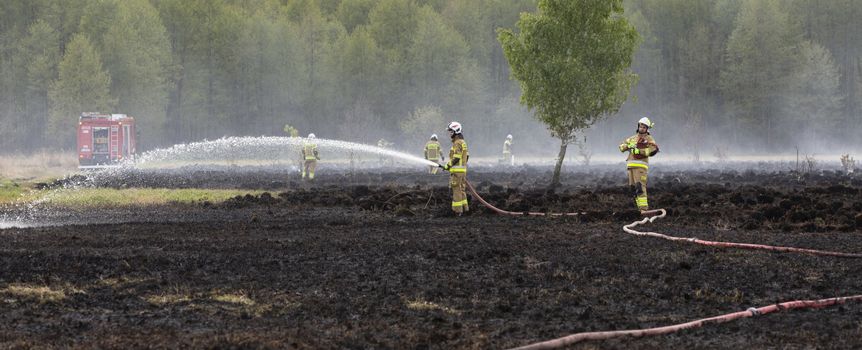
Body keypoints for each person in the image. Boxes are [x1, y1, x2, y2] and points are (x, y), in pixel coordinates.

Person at [618, 117, 659, 213]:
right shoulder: (632, 138)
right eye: (641, 126)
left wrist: (639, 151)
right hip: (631, 166)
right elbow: (621, 146)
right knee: (633, 189)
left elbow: (653, 150)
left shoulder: (649, 139)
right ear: (638, 126)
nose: (642, 128)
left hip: (641, 167)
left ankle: (643, 210)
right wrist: (628, 146)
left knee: (640, 187)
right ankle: (639, 208)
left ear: (647, 129)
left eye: (644, 127)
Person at [441, 121, 469, 215]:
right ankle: (465, 209)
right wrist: (462, 166)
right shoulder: (463, 142)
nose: (450, 133)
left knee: (456, 190)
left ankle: (457, 211)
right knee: (461, 189)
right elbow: (467, 156)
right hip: (462, 171)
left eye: (451, 131)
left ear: (456, 131)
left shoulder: (457, 143)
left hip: (457, 172)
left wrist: (448, 166)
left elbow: (457, 157)